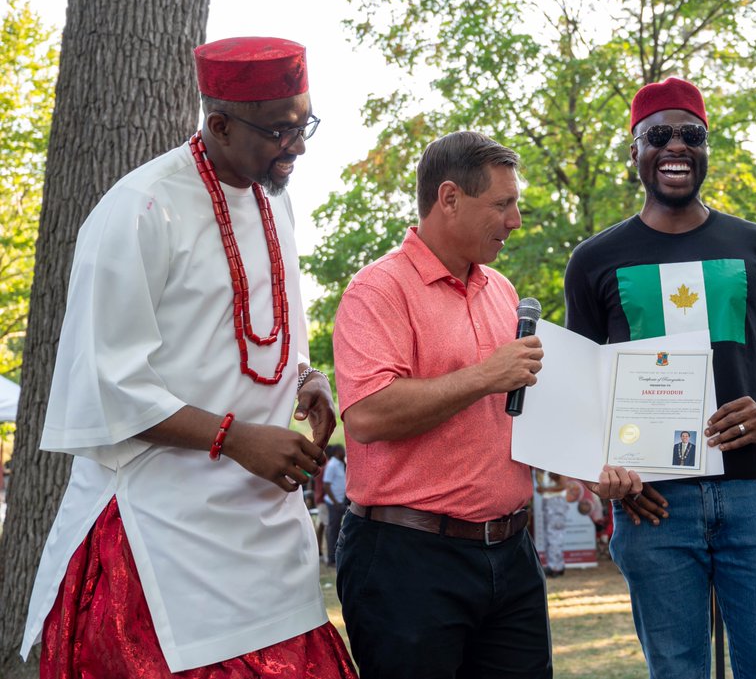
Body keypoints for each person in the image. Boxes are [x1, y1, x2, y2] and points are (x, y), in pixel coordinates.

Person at [19, 37, 356, 677]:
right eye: (279, 131)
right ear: (219, 124)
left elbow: (263, 335)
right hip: (159, 531)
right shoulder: (140, 208)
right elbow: (107, 387)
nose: (299, 146)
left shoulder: (275, 197)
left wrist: (307, 377)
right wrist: (235, 438)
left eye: (304, 123)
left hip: (265, 531)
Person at [332, 131, 636, 678]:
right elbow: (368, 415)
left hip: (512, 553)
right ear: (449, 198)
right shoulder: (376, 290)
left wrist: (586, 465)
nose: (515, 220)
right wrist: (483, 377)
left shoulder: (501, 289)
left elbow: (519, 409)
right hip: (407, 558)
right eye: (502, 204)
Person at [564, 77, 756, 679]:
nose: (676, 145)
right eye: (659, 136)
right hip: (653, 505)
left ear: (706, 149)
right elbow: (579, 387)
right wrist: (606, 471)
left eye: (691, 135)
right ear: (635, 151)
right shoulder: (593, 260)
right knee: (675, 672)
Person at [537, 470, 570, 577]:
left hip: (556, 501)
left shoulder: (558, 465)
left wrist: (545, 489)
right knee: (549, 534)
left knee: (554, 534)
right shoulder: (544, 467)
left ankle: (555, 566)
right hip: (548, 501)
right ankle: (556, 565)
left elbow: (563, 485)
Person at [323, 443, 347, 566]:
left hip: (341, 501)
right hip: (334, 503)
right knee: (333, 530)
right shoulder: (332, 465)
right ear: (337, 452)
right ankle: (331, 558)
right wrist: (335, 502)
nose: (344, 451)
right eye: (342, 450)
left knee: (340, 530)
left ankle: (338, 556)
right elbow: (326, 485)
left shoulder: (341, 464)